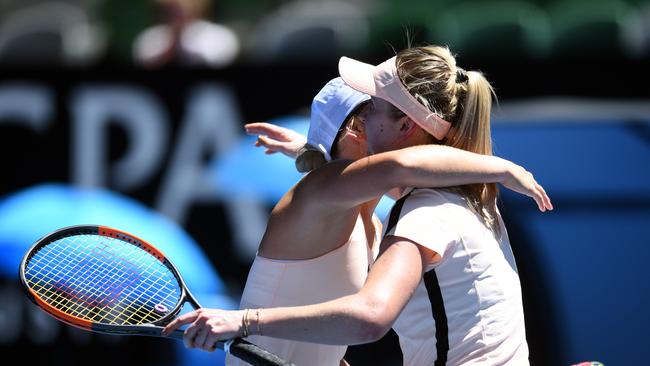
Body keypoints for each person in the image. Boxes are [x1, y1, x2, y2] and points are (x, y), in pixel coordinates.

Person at [164, 46, 552, 366]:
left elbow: (383, 170)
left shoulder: (386, 223)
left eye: (374, 108)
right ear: (352, 132)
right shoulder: (443, 202)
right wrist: (504, 169)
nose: (368, 123)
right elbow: (392, 166)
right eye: (362, 113)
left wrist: (244, 322)